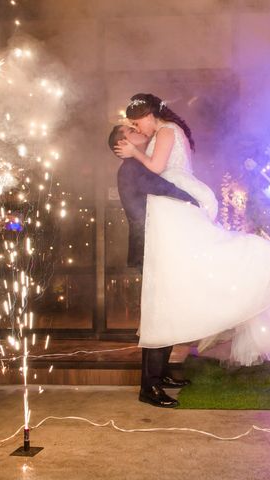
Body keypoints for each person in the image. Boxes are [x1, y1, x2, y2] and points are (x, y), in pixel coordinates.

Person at [114, 93, 270, 367]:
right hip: (175, 199)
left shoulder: (165, 131)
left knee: (192, 266)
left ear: (149, 115)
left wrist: (134, 152)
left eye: (136, 122)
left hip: (174, 202)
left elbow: (156, 167)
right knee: (191, 268)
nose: (136, 128)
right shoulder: (169, 131)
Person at [108, 124, 196, 408]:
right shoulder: (132, 167)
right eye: (131, 130)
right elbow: (161, 187)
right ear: (123, 143)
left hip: (157, 247)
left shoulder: (137, 164)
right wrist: (192, 198)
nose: (139, 131)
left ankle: (161, 375)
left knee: (165, 312)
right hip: (150, 249)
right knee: (158, 315)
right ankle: (149, 387)